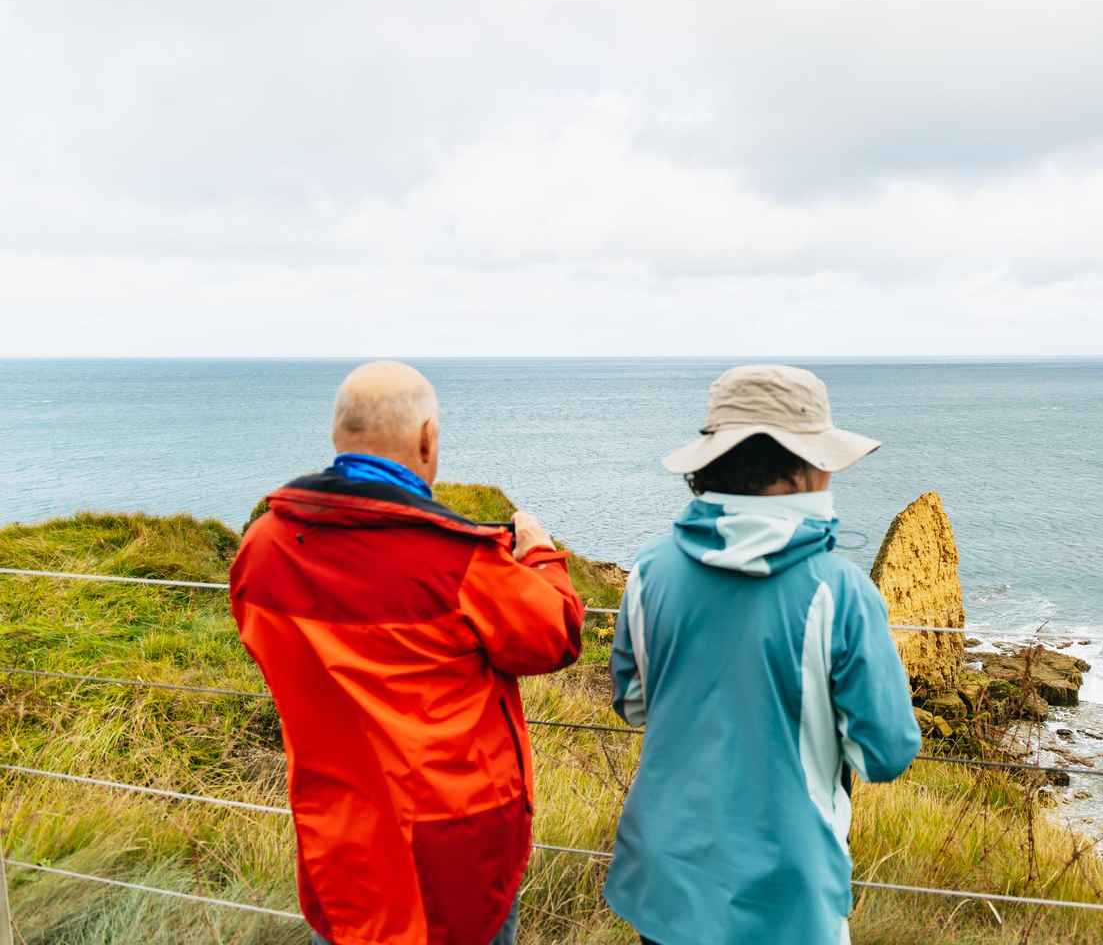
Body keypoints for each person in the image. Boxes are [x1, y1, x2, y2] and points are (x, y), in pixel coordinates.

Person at [230, 360, 584, 945]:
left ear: (338, 437)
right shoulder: (458, 561)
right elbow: (556, 636)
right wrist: (541, 556)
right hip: (453, 848)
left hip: (339, 833)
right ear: (427, 439)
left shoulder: (262, 547)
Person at [605, 364, 922, 945]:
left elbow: (633, 705)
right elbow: (885, 753)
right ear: (797, 467)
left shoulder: (650, 573)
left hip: (666, 880)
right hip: (788, 893)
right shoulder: (840, 590)